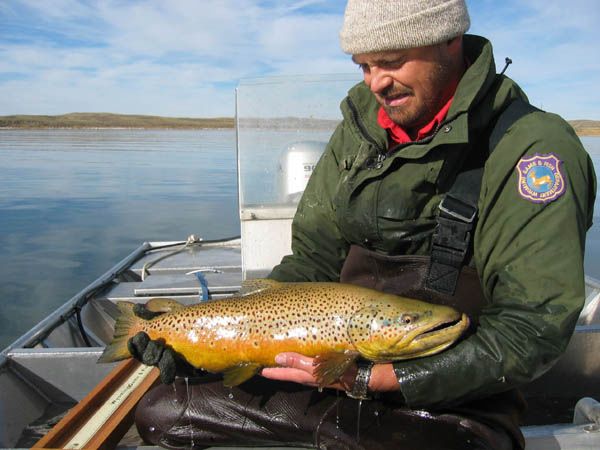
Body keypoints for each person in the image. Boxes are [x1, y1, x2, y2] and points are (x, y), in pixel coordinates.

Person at [129, 1, 596, 449]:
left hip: (458, 398)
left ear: (450, 40)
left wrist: (384, 377)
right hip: (335, 371)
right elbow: (312, 261)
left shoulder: (533, 150)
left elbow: (533, 326)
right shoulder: (361, 128)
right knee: (163, 410)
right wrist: (206, 342)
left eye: (391, 61)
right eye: (364, 66)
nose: (376, 82)